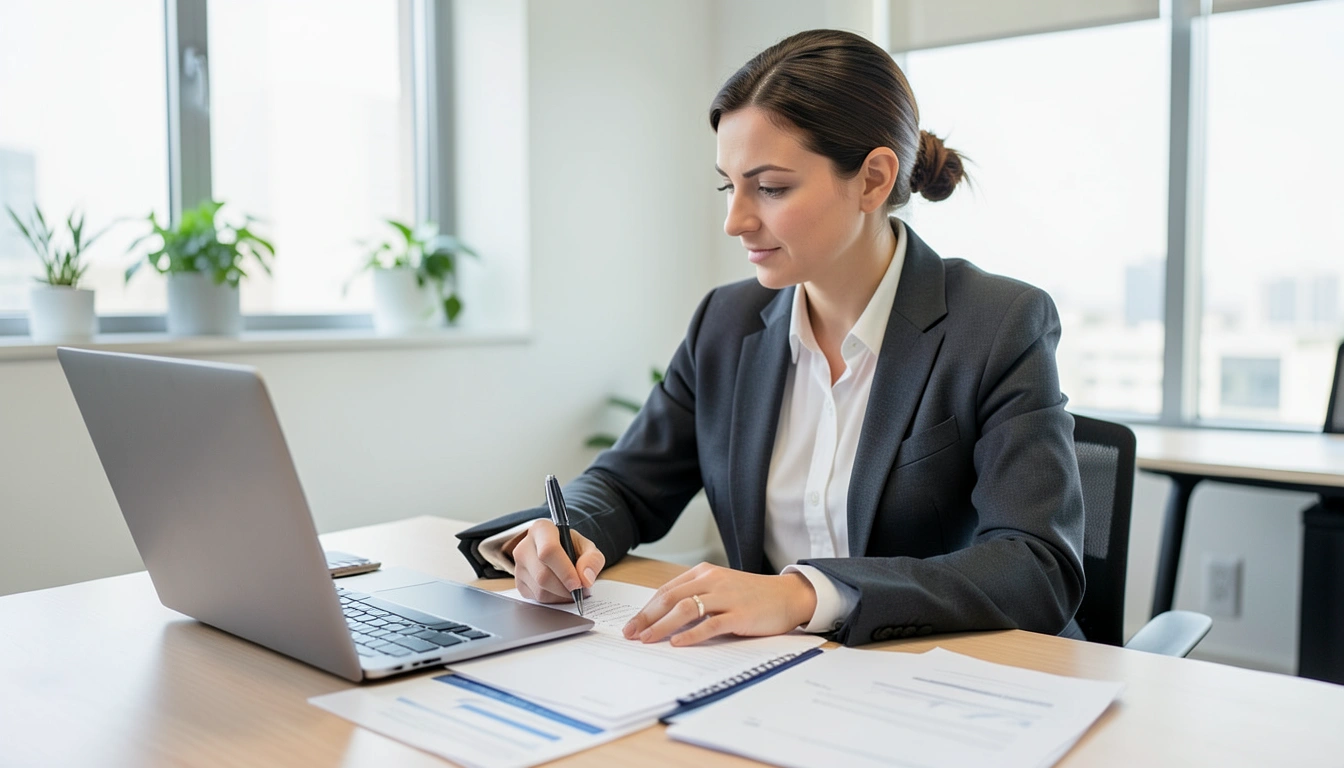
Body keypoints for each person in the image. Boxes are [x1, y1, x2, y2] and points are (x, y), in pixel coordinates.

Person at [457, 29, 1085, 648]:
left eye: (772, 188)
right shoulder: (726, 324)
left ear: (872, 179)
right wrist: (558, 536)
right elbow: (625, 484)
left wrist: (804, 594)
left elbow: (1034, 564)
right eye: (730, 185)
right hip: (770, 678)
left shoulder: (999, 322)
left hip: (948, 682)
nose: (735, 221)